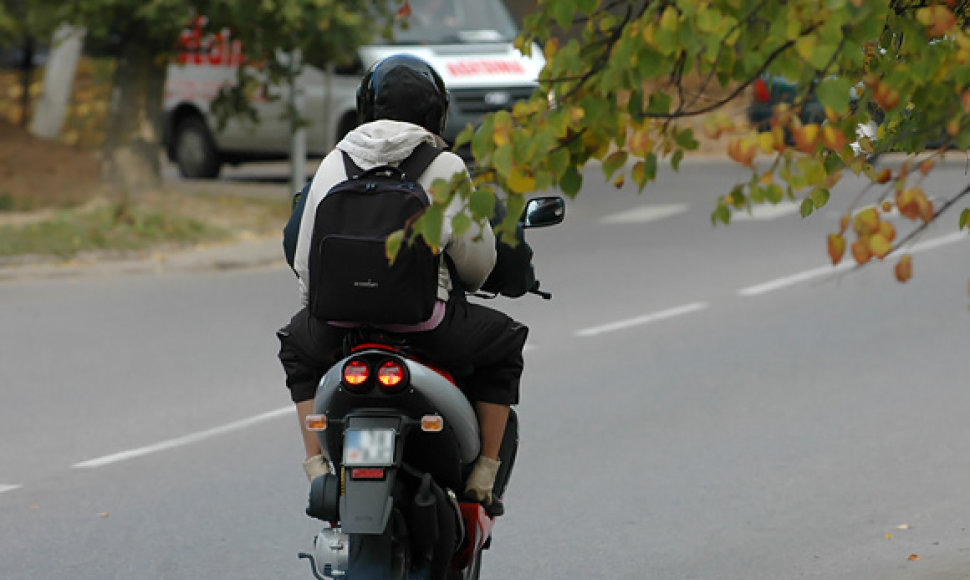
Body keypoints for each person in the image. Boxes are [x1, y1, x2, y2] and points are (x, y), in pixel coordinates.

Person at [276, 54, 529, 508]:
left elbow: (304, 261)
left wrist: (326, 312)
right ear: (438, 112)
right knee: (505, 346)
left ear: (365, 108)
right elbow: (475, 268)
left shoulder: (334, 163)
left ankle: (317, 468)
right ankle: (483, 480)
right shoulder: (446, 167)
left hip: (339, 330)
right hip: (427, 330)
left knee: (296, 348)